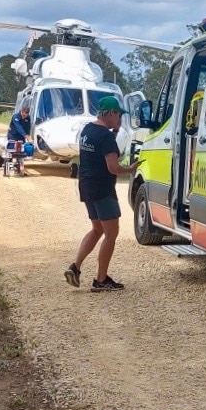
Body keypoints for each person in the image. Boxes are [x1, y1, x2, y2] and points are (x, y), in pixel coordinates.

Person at [64, 96, 138, 292]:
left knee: (97, 230)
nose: (120, 119)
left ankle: (76, 266)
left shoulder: (88, 130)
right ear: (111, 113)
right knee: (111, 234)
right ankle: (101, 280)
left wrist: (113, 132)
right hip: (103, 189)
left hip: (87, 186)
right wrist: (129, 169)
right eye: (119, 115)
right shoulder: (106, 136)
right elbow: (113, 168)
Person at [7, 107, 32, 175]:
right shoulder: (16, 117)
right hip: (13, 136)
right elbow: (19, 127)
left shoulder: (28, 117)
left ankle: (18, 169)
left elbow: (28, 127)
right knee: (11, 151)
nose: (24, 117)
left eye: (26, 115)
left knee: (20, 152)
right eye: (23, 115)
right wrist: (26, 135)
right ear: (21, 112)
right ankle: (8, 169)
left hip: (21, 137)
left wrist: (28, 135)